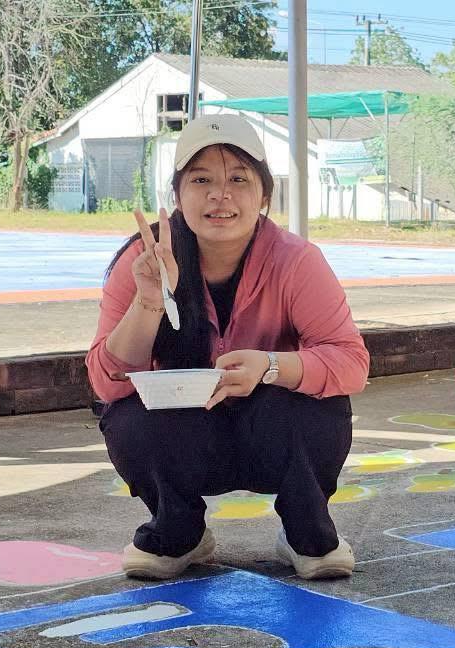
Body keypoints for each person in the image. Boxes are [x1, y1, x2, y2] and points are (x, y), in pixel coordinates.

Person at [88, 114, 369, 581]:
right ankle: (178, 534)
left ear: (263, 194)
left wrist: (273, 366)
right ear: (178, 195)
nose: (221, 195)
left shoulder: (297, 261)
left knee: (320, 405)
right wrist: (148, 302)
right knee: (129, 419)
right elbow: (105, 382)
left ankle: (309, 534)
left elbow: (351, 363)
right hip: (187, 437)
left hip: (269, 432)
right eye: (202, 180)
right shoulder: (142, 260)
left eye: (239, 179)